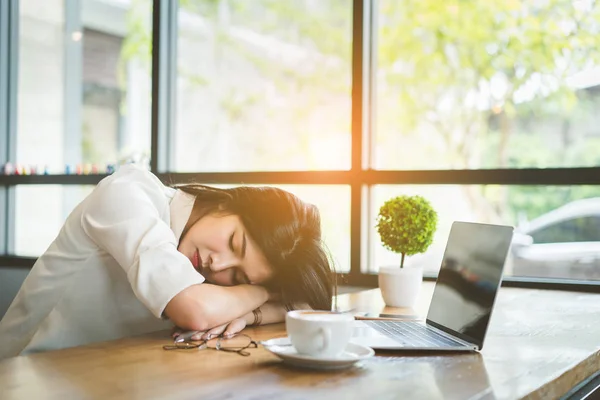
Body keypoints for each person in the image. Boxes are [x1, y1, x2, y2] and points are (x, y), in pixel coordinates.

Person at [0, 164, 335, 359]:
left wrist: (253, 312)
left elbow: (307, 304)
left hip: (104, 377)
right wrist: (260, 294)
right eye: (234, 242)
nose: (217, 267)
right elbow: (195, 310)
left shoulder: (209, 264)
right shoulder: (130, 193)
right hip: (21, 374)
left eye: (238, 276)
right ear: (226, 204)